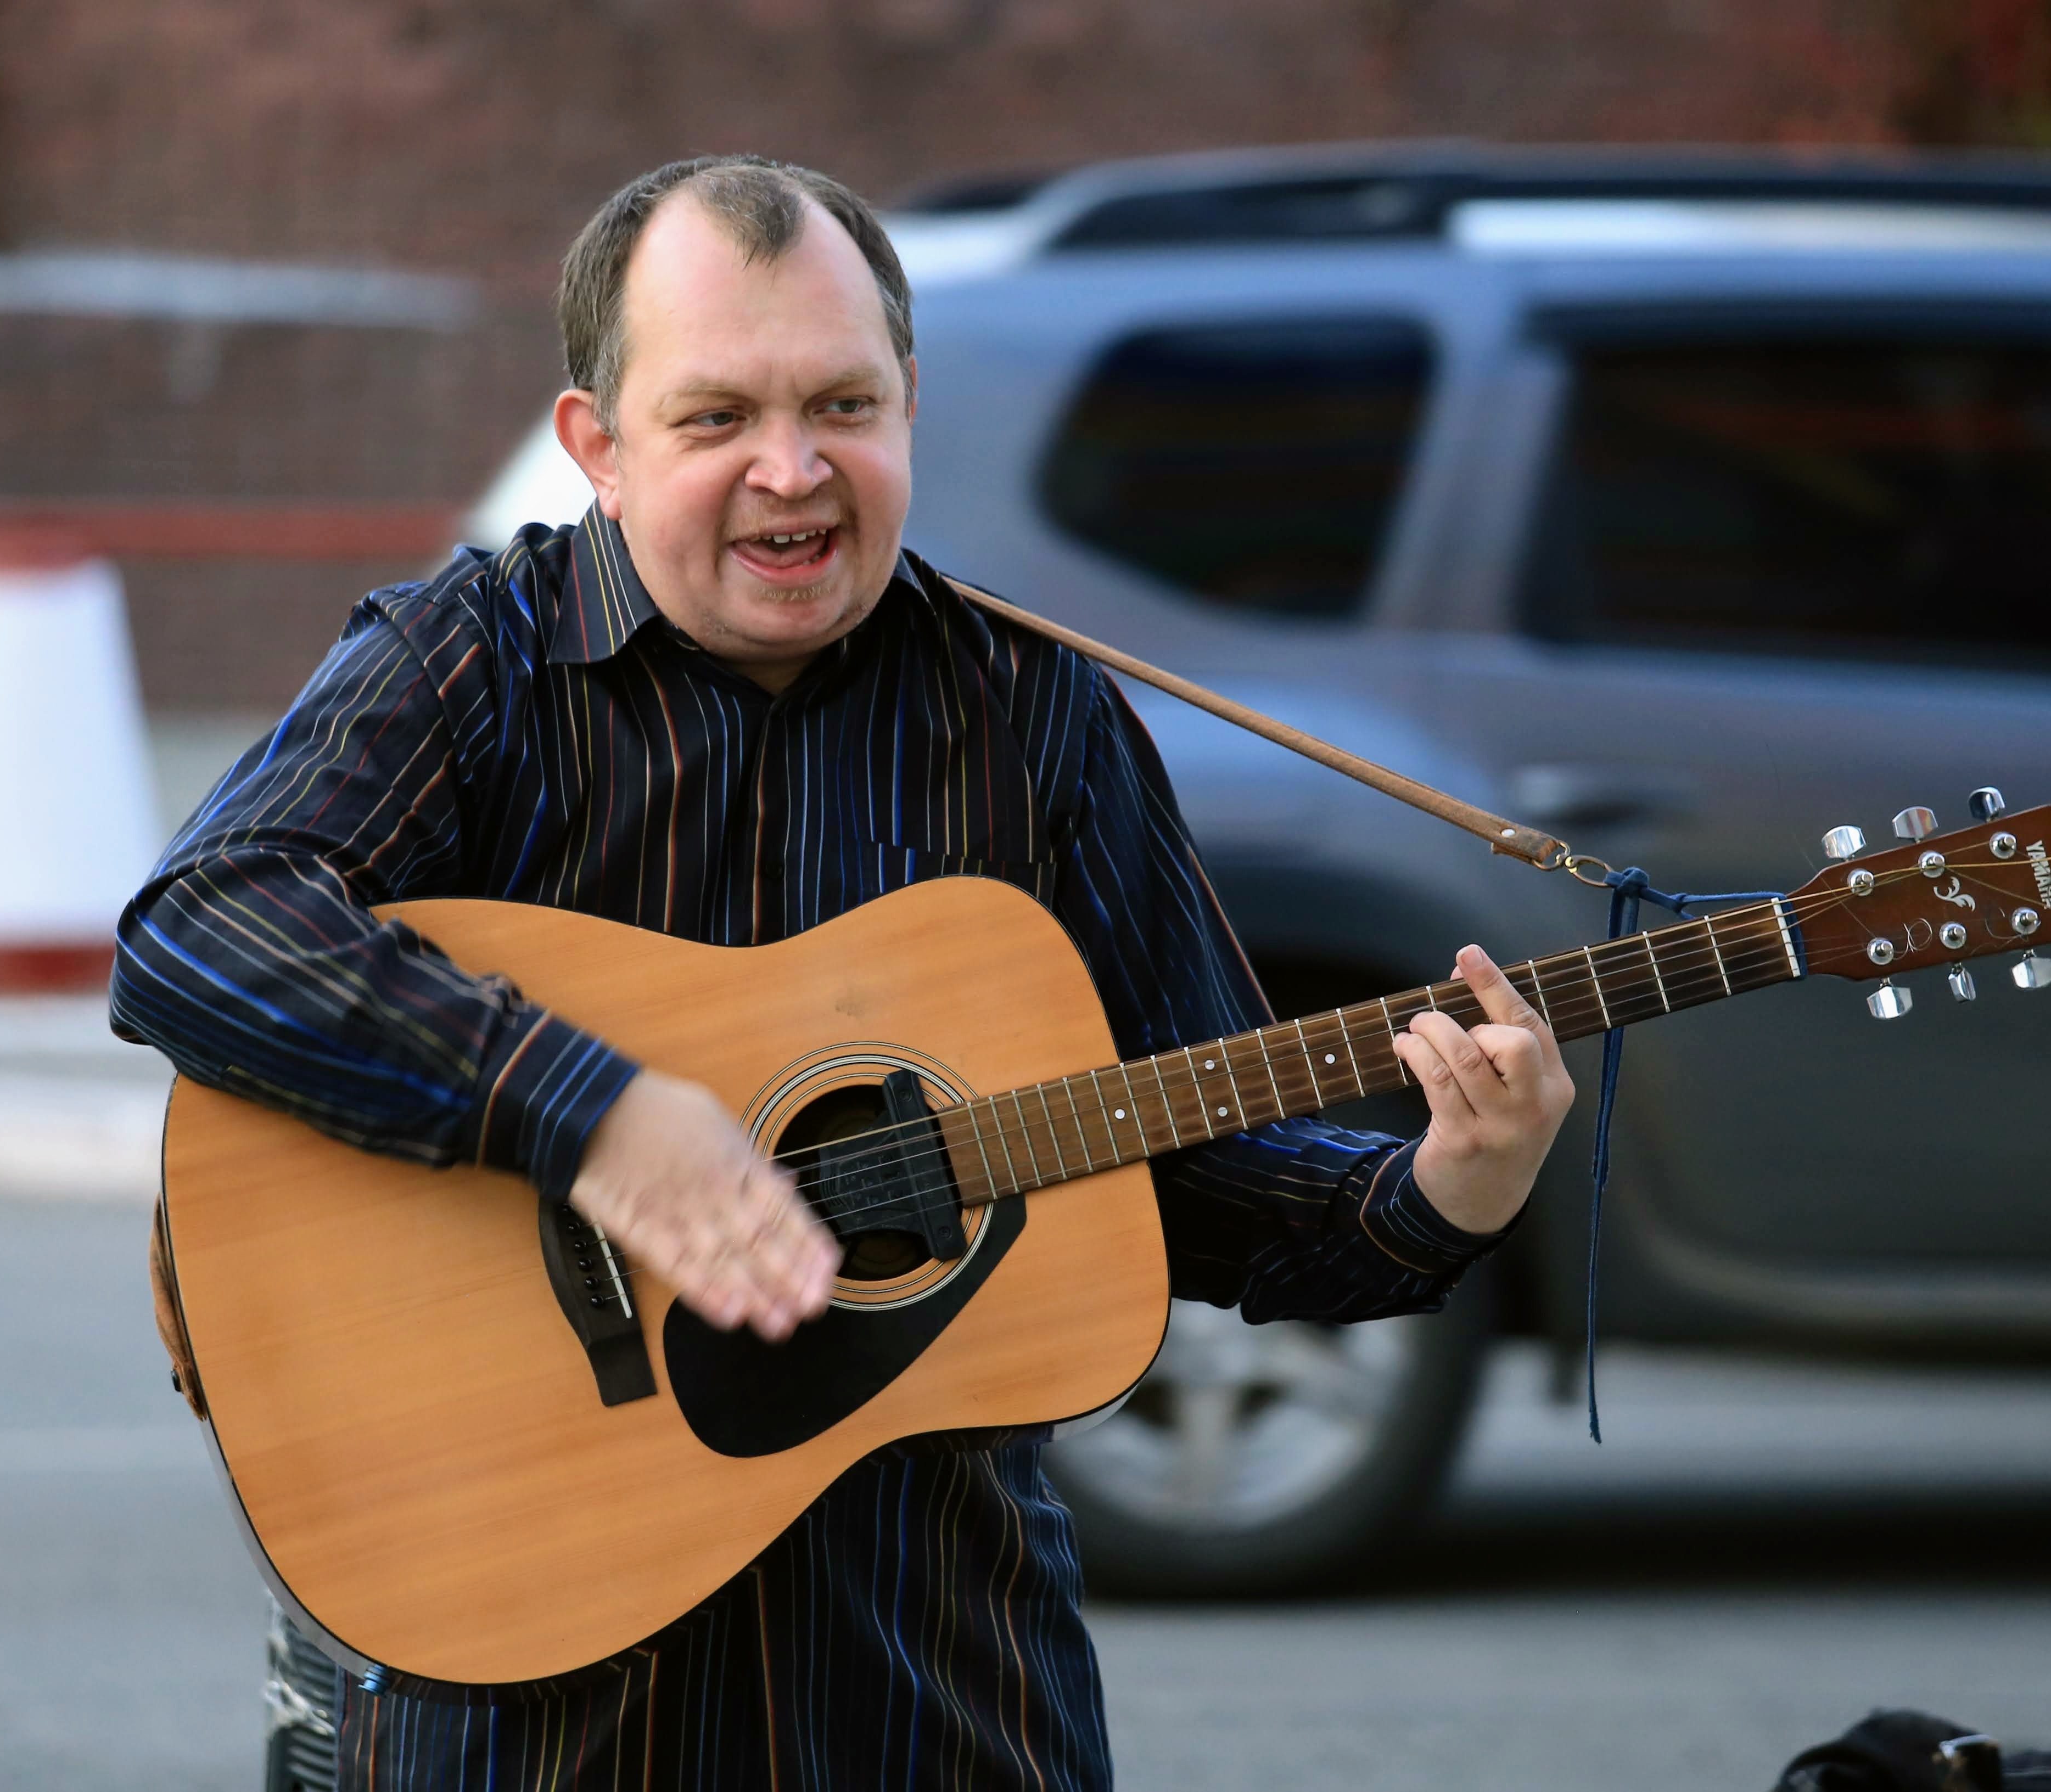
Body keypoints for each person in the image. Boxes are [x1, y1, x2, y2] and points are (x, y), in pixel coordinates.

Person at [111, 154, 1573, 1790]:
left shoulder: (1034, 714)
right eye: (716, 417)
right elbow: (200, 928)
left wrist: (1441, 1190)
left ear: (910, 405)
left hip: (924, 1684)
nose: (791, 471)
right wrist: (588, 1113)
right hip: (524, 1689)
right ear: (597, 445)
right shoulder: (470, 663)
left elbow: (1191, 1176)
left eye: (843, 406)